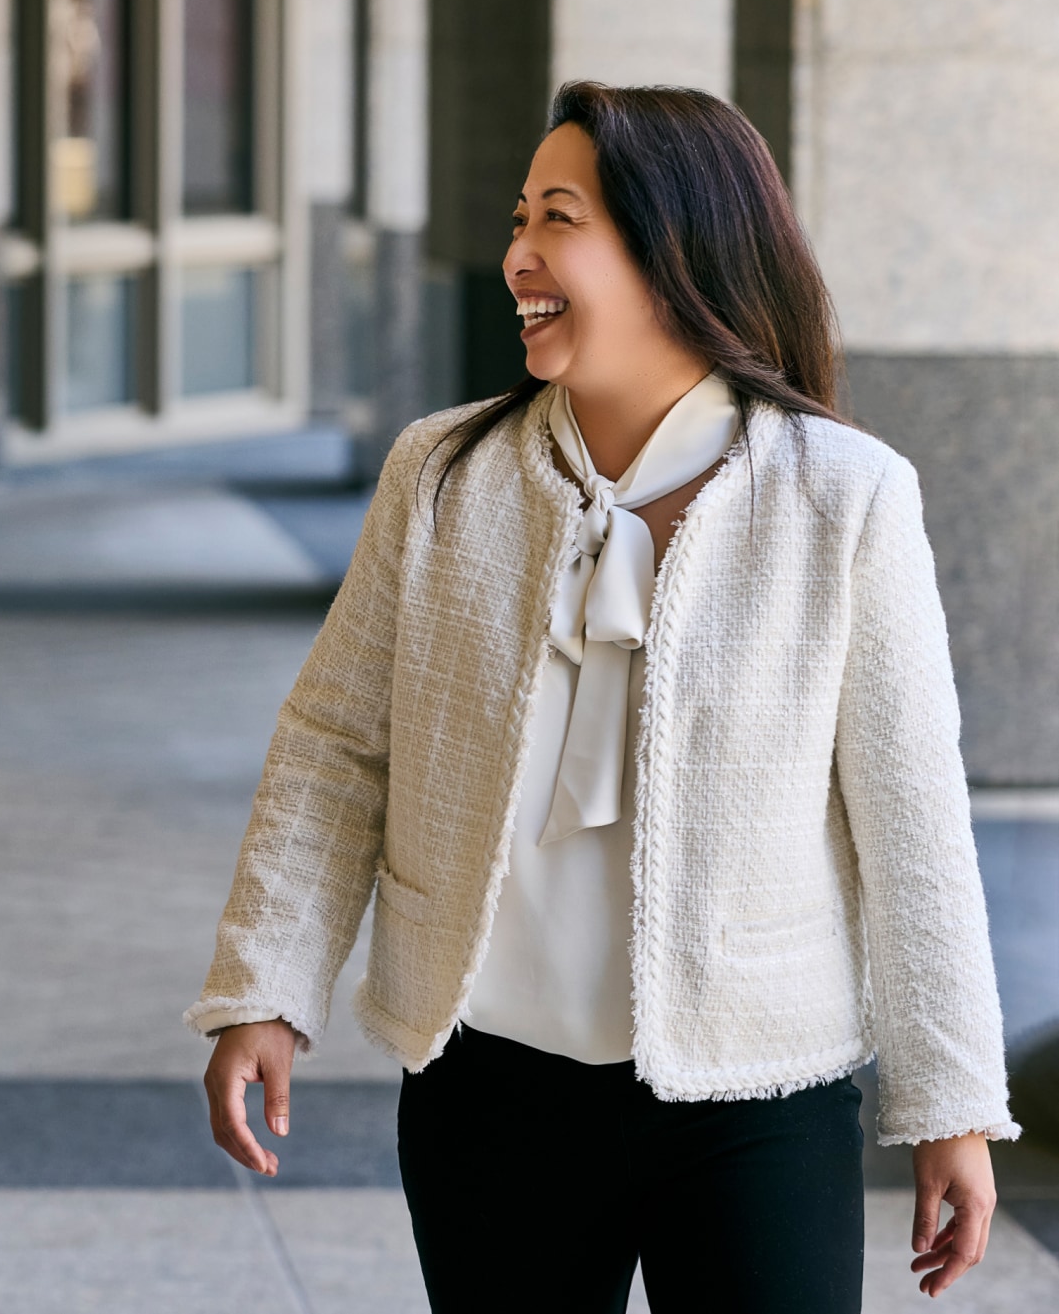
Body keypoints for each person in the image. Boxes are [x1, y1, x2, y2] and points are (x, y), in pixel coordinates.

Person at [189, 83, 1015, 1312]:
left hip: (758, 1094)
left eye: (557, 218)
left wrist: (948, 1104)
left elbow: (910, 817)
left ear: (673, 250)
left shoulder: (845, 497)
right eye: (518, 214)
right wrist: (265, 984)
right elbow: (335, 743)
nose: (516, 252)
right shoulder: (441, 472)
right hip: (486, 1083)